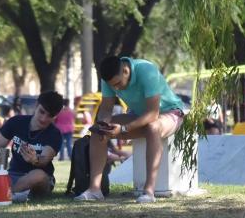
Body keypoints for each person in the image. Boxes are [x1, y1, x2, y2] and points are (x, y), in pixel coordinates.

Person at [75, 55, 186, 203]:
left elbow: (153, 114)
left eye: (118, 83)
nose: (116, 88)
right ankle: (95, 190)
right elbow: (106, 109)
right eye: (112, 85)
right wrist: (103, 123)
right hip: (137, 115)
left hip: (169, 113)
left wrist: (123, 128)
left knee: (153, 128)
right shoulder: (108, 78)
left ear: (126, 71)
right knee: (97, 130)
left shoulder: (147, 71)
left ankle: (149, 192)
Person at [0, 90, 63, 204]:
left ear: (55, 116)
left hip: (36, 181)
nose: (43, 118)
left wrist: (35, 160)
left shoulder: (54, 134)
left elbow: (45, 159)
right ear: (36, 105)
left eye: (50, 116)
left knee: (38, 175)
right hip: (11, 176)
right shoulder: (16, 122)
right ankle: (7, 194)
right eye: (41, 112)